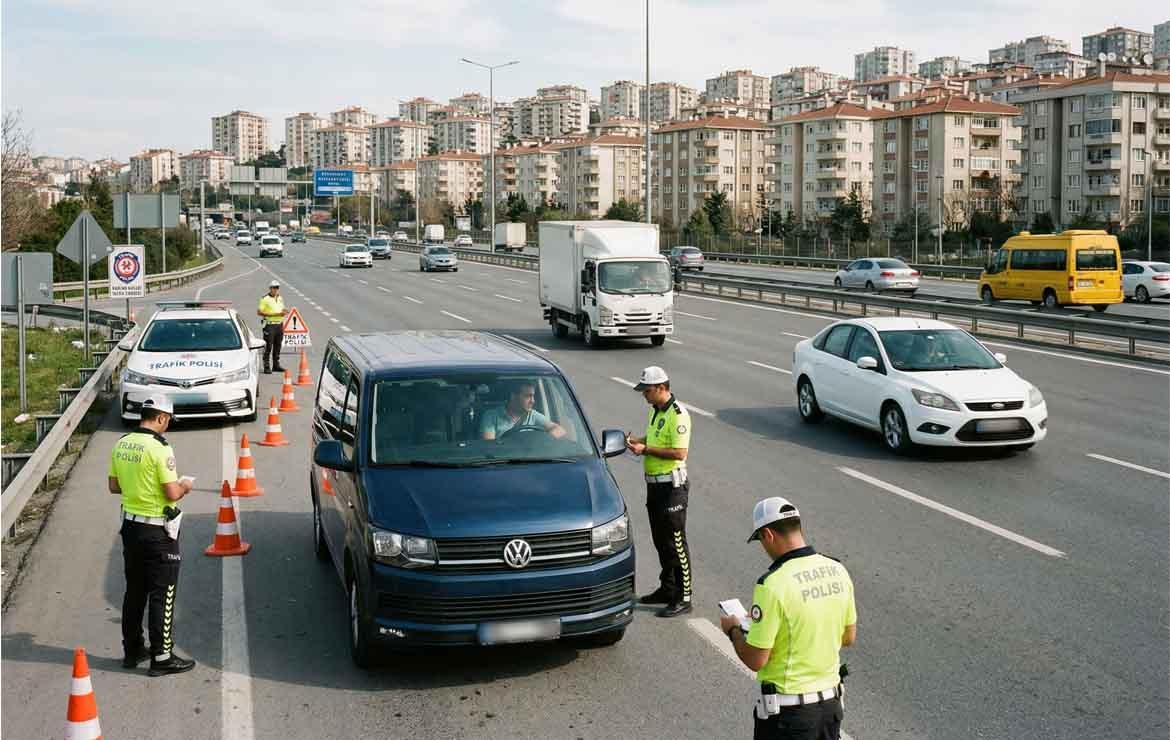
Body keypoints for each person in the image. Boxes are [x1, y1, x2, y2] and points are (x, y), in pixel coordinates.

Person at [720, 497, 857, 740]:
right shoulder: (837, 569)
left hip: (789, 718)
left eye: (761, 539)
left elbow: (756, 659)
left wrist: (733, 630)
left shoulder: (772, 584)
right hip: (831, 709)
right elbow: (848, 636)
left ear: (768, 534)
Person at [107, 395, 197, 677]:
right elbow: (171, 493)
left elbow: (113, 486)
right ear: (160, 418)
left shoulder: (121, 444)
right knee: (163, 593)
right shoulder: (160, 448)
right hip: (158, 531)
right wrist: (184, 487)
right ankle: (162, 656)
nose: (167, 426)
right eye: (168, 421)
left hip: (131, 529)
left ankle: (132, 650)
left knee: (134, 591)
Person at [626, 365, 693, 618]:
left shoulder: (678, 415)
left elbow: (679, 453)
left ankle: (684, 596)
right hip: (654, 486)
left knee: (676, 542)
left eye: (647, 390)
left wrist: (645, 450)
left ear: (662, 388)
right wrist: (639, 441)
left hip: (672, 488)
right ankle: (667, 589)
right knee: (660, 541)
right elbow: (654, 441)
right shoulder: (656, 412)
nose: (644, 394)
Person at [480, 380, 566, 440]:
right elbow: (489, 447)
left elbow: (560, 430)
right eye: (528, 396)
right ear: (513, 396)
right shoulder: (491, 416)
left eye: (533, 396)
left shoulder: (533, 415)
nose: (533, 401)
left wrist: (543, 441)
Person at [257, 279, 286, 373]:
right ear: (270, 288)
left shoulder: (280, 298)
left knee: (278, 345)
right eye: (274, 287)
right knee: (268, 346)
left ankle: (276, 365)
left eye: (277, 287)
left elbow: (282, 308)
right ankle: (266, 366)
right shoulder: (265, 299)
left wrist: (284, 311)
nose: (276, 289)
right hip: (270, 325)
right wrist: (274, 315)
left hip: (279, 325)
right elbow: (259, 312)